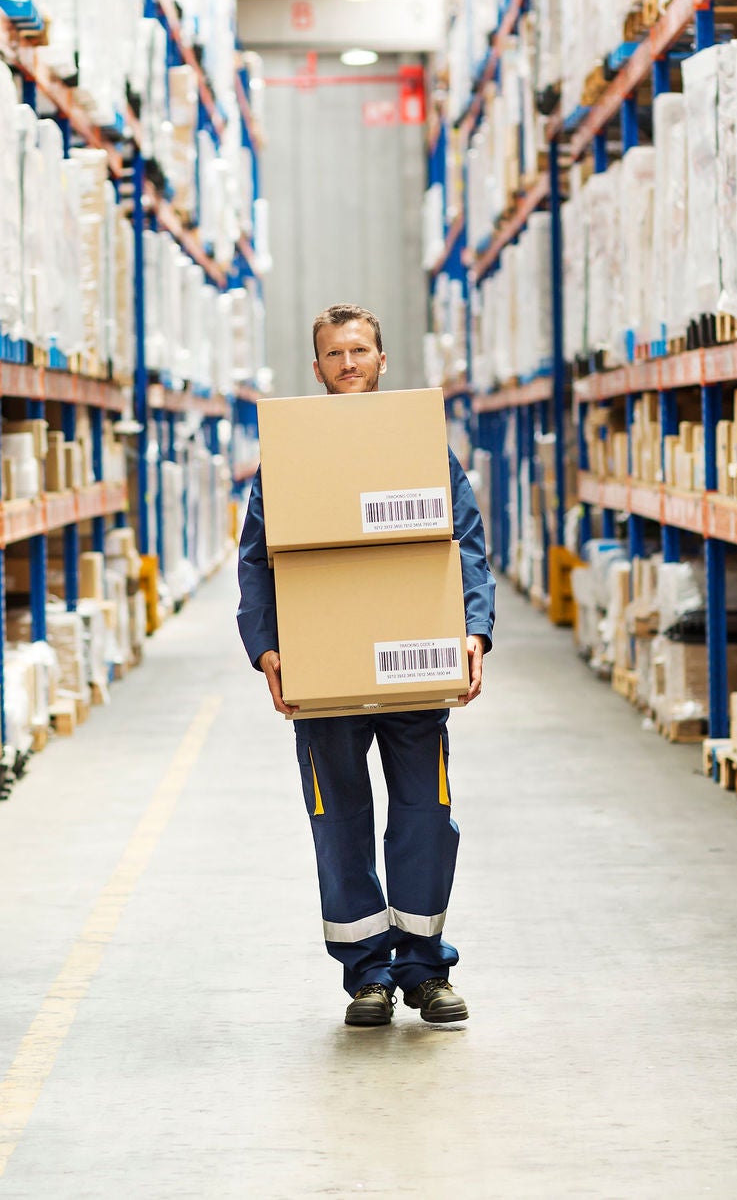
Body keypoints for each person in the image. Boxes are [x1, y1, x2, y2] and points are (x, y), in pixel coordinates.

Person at [235, 303, 496, 1027]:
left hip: (412, 671)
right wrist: (267, 649)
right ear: (315, 369)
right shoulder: (285, 460)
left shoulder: (423, 451)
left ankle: (424, 967)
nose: (348, 363)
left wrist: (473, 631)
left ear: (383, 362)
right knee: (340, 821)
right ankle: (368, 974)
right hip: (326, 677)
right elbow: (256, 563)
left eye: (360, 350)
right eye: (334, 354)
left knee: (425, 815)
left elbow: (465, 545)